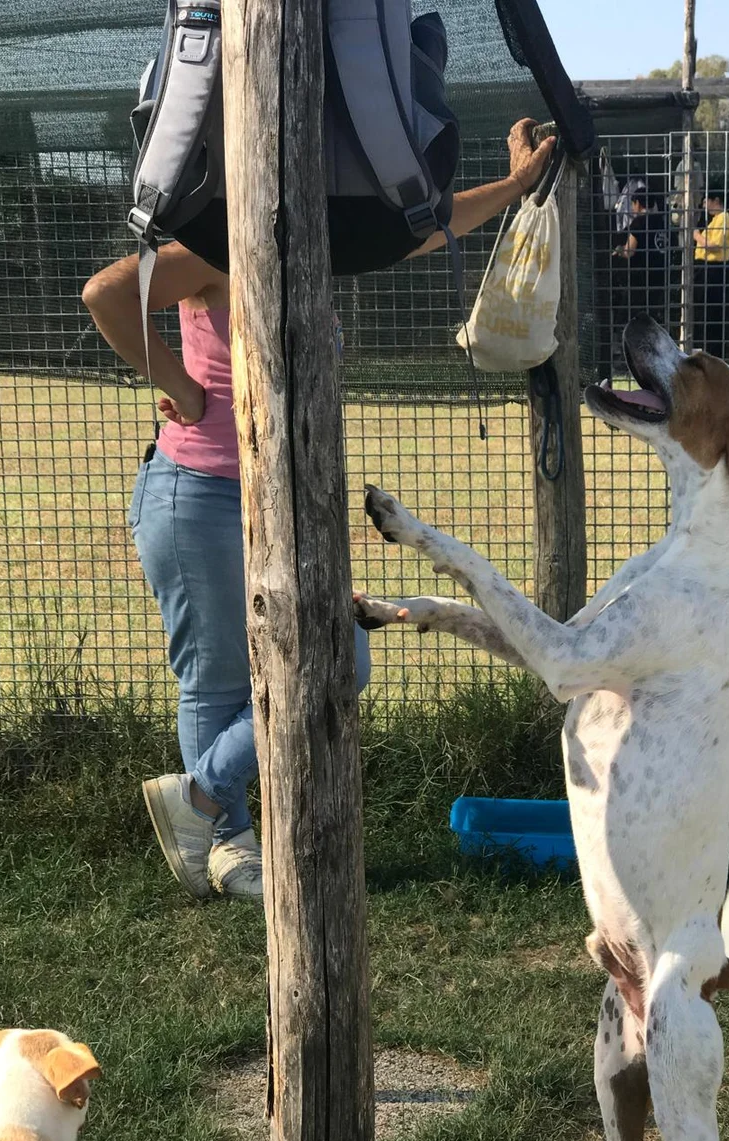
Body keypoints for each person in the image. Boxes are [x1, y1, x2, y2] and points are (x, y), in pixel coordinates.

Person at [83, 119, 554, 902]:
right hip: (201, 493)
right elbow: (107, 293)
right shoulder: (223, 243)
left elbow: (432, 230)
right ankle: (226, 847)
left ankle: (198, 799)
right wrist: (181, 387)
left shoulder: (320, 240)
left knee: (343, 657)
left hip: (294, 499)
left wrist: (513, 187)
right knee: (219, 680)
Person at [611, 179, 670, 332]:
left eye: (632, 204)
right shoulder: (662, 222)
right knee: (651, 319)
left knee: (628, 318)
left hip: (640, 277)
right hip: (660, 277)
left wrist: (618, 250)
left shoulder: (639, 222)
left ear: (637, 203)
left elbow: (629, 251)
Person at [693, 191, 729, 358]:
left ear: (716, 200)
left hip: (713, 268)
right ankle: (705, 351)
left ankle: (712, 353)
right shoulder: (715, 220)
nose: (704, 206)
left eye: (706, 201)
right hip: (705, 268)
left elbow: (715, 245)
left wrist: (696, 235)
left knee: (711, 313)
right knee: (702, 312)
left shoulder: (724, 218)